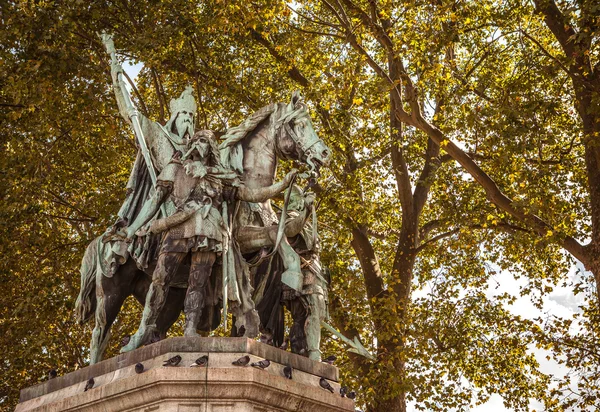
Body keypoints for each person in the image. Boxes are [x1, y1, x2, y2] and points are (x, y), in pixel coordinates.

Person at [121, 130, 297, 351]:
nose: (199, 144)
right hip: (177, 230)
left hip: (210, 233)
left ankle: (190, 329)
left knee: (198, 285)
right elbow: (153, 202)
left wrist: (282, 185)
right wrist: (135, 227)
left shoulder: (221, 177)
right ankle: (144, 329)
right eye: (196, 141)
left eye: (204, 141)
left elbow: (253, 195)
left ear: (211, 149)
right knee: (160, 280)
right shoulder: (174, 168)